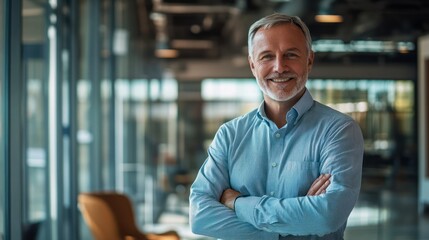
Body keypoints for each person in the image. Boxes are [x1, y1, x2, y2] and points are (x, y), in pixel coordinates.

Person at [189, 13, 364, 240]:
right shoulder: (230, 135)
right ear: (253, 65)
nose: (279, 67)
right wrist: (294, 224)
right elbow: (201, 216)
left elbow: (327, 216)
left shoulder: (339, 131)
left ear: (309, 60)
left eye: (290, 54)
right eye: (267, 56)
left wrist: (238, 203)